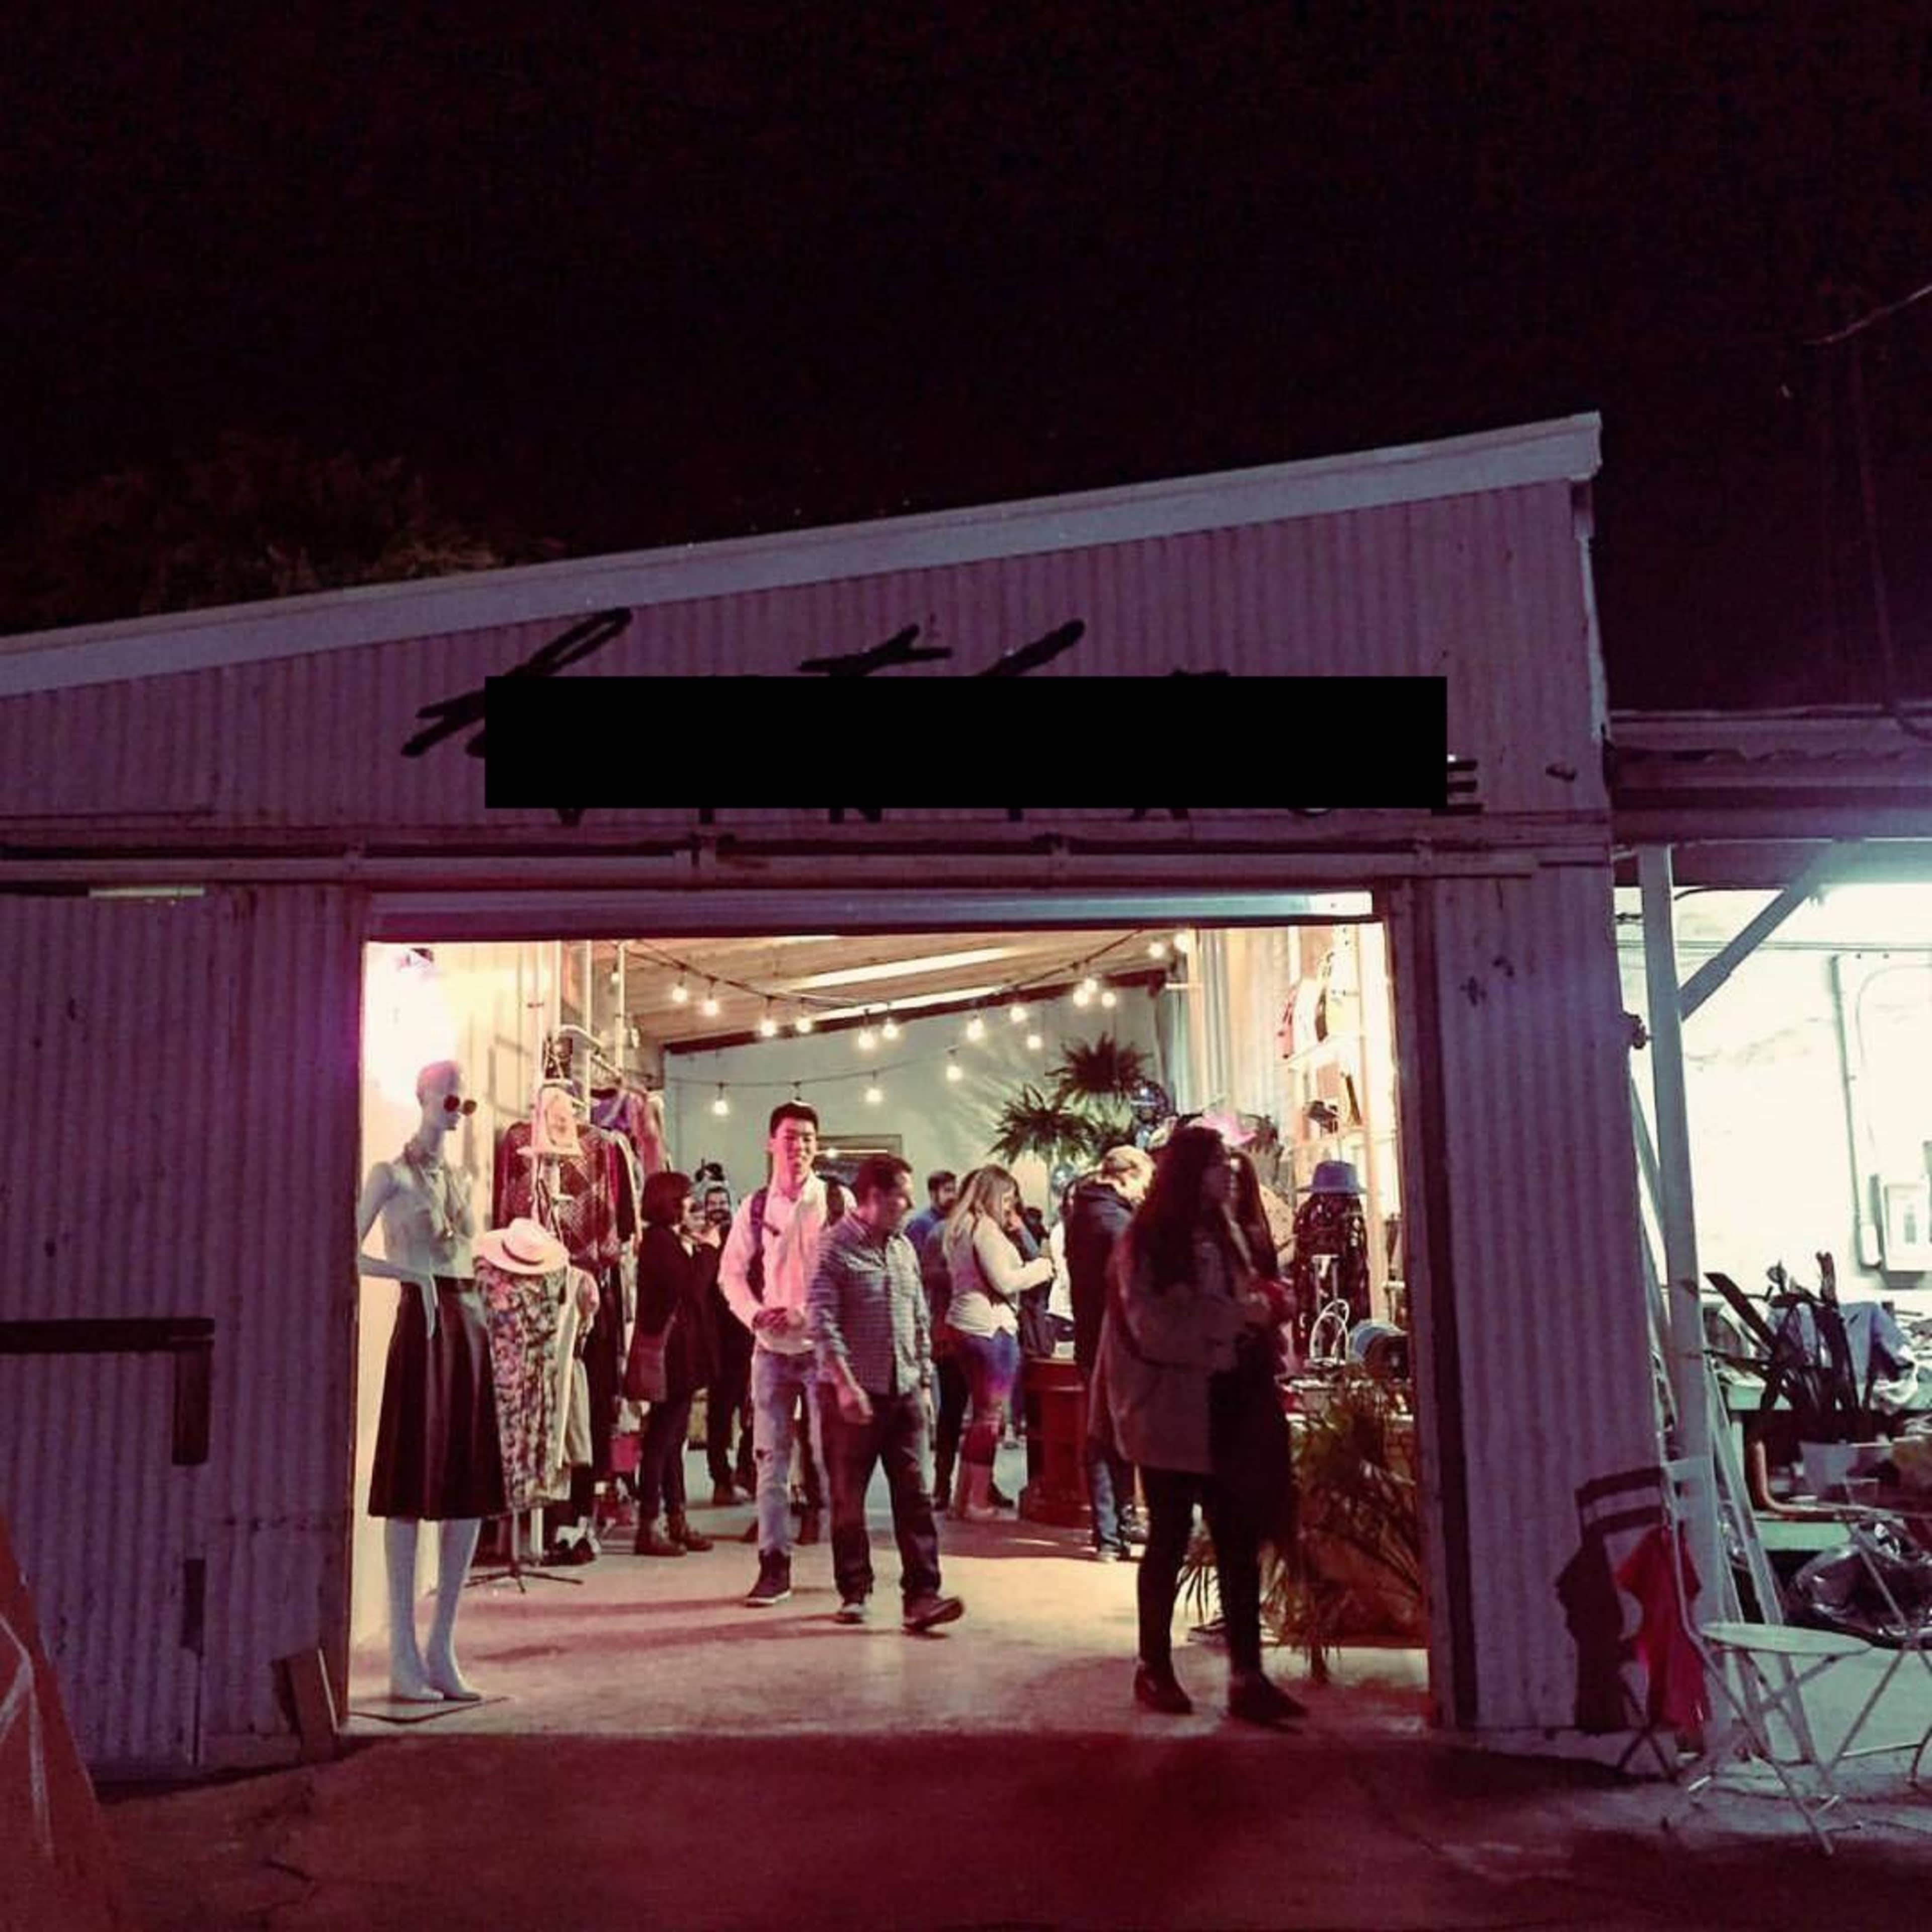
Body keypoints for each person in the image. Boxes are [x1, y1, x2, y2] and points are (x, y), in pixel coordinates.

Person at [1093, 1124, 1304, 1727]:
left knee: (1237, 1542)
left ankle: (1248, 1675)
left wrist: (1263, 1307)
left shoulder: (1225, 1230)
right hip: (1171, 1410)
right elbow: (1152, 1329)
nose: (1228, 1175)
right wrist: (1236, 1317)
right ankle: (1153, 1666)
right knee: (1168, 1539)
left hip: (1231, 1406)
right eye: (1216, 1165)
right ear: (1190, 1171)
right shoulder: (1148, 1240)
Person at [356, 1060, 502, 1703]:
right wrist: (405, 1277)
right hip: (423, 1321)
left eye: (462, 1096)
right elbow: (344, 1249)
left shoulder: (465, 1178)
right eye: (448, 1091)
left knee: (465, 1484)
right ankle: (402, 1654)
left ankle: (443, 1642)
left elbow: (473, 1247)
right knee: (411, 1481)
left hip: (467, 1316)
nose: (456, 1103)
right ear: (422, 1095)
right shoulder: (389, 1175)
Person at [808, 1154, 964, 1632]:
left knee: (914, 1495)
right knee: (849, 1497)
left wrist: (921, 1379)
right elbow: (822, 1320)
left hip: (904, 1392)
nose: (911, 1203)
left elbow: (917, 1314)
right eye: (902, 1194)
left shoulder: (901, 1248)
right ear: (875, 1196)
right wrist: (844, 1382)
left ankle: (923, 1594)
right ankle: (854, 1589)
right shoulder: (833, 1248)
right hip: (852, 1396)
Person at [719, 1102, 834, 1606]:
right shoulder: (754, 1207)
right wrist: (755, 1314)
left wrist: (806, 1315)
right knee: (770, 1459)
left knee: (831, 1456)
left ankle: (848, 1566)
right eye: (790, 1137)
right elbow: (731, 1272)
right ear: (771, 1143)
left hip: (822, 1347)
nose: (800, 1146)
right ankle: (773, 1563)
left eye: (808, 1137)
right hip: (770, 1352)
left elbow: (843, 1271)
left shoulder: (835, 1200)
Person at [942, 1165, 1054, 1521]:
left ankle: (964, 1499)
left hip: (965, 1323)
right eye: (1007, 1198)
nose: (1011, 1206)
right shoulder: (986, 1230)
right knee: (988, 1418)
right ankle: (976, 1501)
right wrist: (1041, 1268)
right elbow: (1004, 1282)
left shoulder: (959, 1228)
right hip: (990, 1328)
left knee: (978, 1416)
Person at [1064, 1145, 1154, 1560]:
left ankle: (1114, 1526)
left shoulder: (1082, 1213)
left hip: (1090, 1335)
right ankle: (1111, 1532)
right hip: (1112, 1339)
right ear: (1126, 1175)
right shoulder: (1115, 1222)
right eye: (1143, 1182)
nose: (1144, 1191)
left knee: (1106, 1434)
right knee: (1109, 1436)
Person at [631, 1172, 721, 1557]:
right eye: (686, 1198)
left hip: (680, 1355)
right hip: (673, 1357)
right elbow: (690, 1288)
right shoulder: (659, 1243)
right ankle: (650, 1524)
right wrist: (709, 1252)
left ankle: (675, 1518)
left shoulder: (665, 1241)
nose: (691, 1205)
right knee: (662, 1440)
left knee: (671, 1440)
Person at [699, 1182, 755, 1505]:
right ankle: (720, 1478)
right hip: (715, 1340)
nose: (719, 1207)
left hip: (744, 1336)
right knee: (719, 1415)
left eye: (723, 1201)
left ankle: (746, 1470)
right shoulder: (701, 1241)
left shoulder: (740, 1238)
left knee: (750, 1409)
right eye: (713, 1202)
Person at [919, 1170, 972, 1512]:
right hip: (950, 1330)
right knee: (952, 1410)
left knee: (982, 1414)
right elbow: (923, 1272)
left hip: (978, 1332)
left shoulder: (990, 1232)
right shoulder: (937, 1231)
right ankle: (942, 1483)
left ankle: (978, 1484)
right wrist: (960, 1276)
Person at [904, 1169, 958, 1258]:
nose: (953, 1196)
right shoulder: (919, 1225)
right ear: (933, 1194)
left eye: (954, 1191)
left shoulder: (954, 1221)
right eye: (947, 1191)